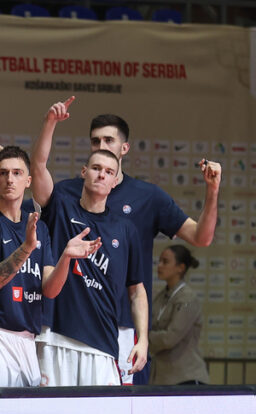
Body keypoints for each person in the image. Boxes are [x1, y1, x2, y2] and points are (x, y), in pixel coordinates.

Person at [30, 96, 221, 384]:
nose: (102, 146)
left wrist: (212, 191)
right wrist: (49, 123)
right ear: (85, 167)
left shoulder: (147, 198)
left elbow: (200, 237)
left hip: (117, 329)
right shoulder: (65, 195)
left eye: (109, 140)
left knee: (116, 407)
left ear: (124, 148)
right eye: (96, 141)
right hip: (61, 326)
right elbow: (36, 169)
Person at [0, 146, 100, 387]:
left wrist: (66, 257)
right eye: (3, 173)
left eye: (17, 173)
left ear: (28, 181)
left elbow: (50, 289)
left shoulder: (38, 227)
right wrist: (26, 248)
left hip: (26, 339)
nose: (9, 179)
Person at [37, 149, 148, 386]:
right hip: (56, 338)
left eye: (109, 172)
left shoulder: (126, 230)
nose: (101, 175)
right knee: (51, 409)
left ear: (115, 181)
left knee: (103, 410)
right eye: (96, 168)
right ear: (84, 172)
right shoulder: (61, 207)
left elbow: (137, 291)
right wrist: (50, 127)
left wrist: (143, 339)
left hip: (102, 344)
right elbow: (38, 168)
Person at [151, 245, 209, 385]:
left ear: (180, 268)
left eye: (165, 262)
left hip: (186, 378)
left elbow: (170, 338)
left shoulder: (188, 298)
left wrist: (143, 338)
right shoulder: (160, 296)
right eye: (159, 261)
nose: (159, 265)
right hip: (163, 378)